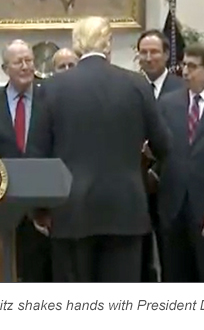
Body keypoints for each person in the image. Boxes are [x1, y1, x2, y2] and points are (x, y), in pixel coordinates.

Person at [33, 16, 170, 282]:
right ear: (109, 43)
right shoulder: (137, 84)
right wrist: (147, 171)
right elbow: (164, 144)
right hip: (126, 210)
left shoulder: (52, 88)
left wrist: (40, 209)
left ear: (76, 45)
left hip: (69, 211)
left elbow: (38, 153)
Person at [157, 43, 204, 282]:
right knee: (174, 274)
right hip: (172, 206)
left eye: (192, 66)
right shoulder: (168, 104)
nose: (186, 72)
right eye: (184, 66)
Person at [0, 39, 51, 282]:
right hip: (5, 201)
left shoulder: (48, 95)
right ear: (5, 68)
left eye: (29, 60)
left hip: (43, 202)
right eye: (18, 62)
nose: (25, 66)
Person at [136, 28, 183, 282]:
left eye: (154, 52)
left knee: (170, 254)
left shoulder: (182, 87)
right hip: (136, 184)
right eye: (143, 52)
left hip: (170, 183)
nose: (148, 57)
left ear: (166, 55)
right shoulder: (131, 86)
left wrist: (157, 172)